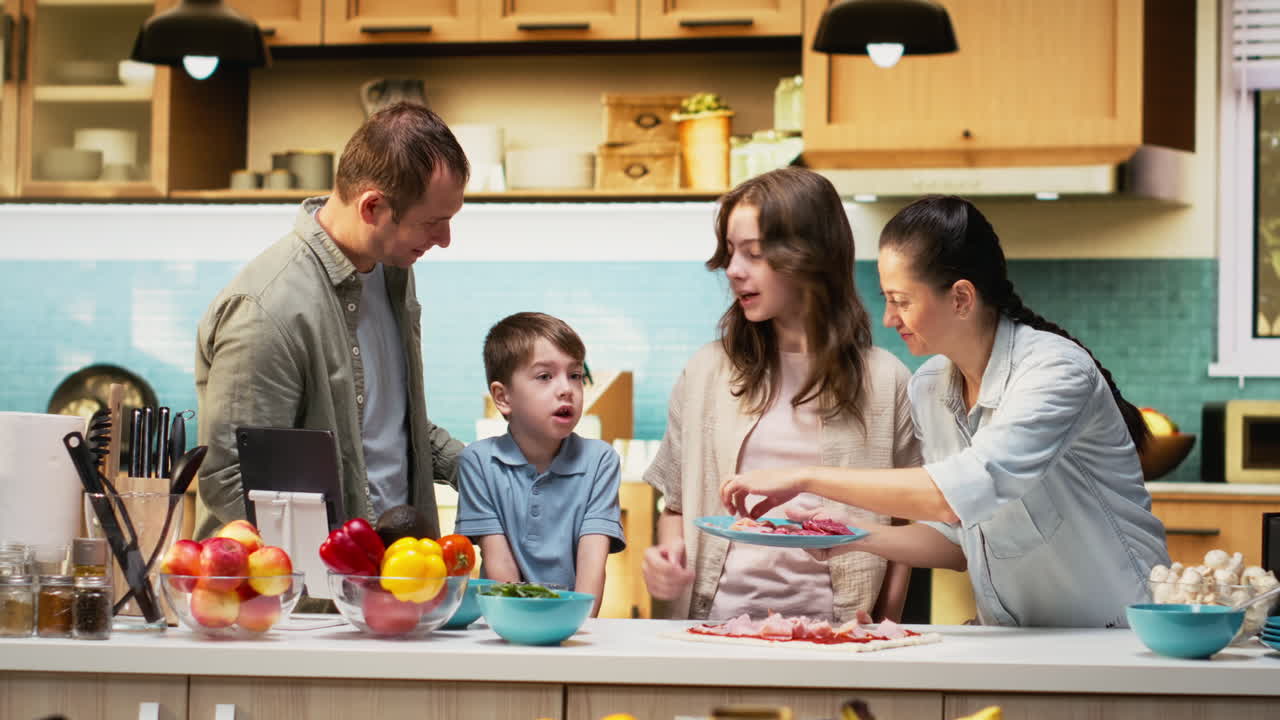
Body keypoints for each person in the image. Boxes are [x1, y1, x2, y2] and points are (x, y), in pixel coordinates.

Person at [720, 195, 1170, 628]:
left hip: (1115, 636)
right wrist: (846, 536)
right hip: (1019, 641)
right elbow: (957, 537)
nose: (889, 319)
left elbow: (953, 493)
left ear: (960, 298)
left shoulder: (1055, 372)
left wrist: (805, 476)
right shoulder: (931, 386)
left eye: (901, 300)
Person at [641, 167, 922, 624]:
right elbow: (675, 506)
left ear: (810, 257)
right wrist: (668, 554)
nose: (733, 270)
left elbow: (909, 521)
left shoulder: (886, 381)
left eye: (754, 254)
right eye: (731, 252)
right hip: (717, 628)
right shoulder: (706, 372)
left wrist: (885, 624)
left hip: (840, 634)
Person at [194, 102, 469, 541]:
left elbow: (386, 427)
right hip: (299, 602)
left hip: (390, 578)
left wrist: (488, 468)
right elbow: (235, 484)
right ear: (372, 207)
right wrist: (348, 569)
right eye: (432, 223)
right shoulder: (267, 309)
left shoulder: (392, 270)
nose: (445, 240)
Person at [454, 312, 626, 617]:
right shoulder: (478, 462)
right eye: (545, 376)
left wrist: (573, 627)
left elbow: (592, 564)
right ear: (503, 397)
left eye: (575, 375)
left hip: (573, 625)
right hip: (503, 623)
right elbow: (499, 565)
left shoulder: (601, 461)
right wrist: (525, 628)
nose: (566, 389)